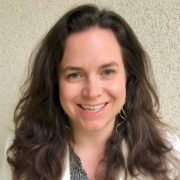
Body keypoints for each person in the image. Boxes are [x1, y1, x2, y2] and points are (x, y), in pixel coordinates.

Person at [2, 4, 180, 180]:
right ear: (54, 81)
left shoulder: (170, 155)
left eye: (107, 72)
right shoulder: (21, 153)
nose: (92, 92)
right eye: (75, 74)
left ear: (128, 77)